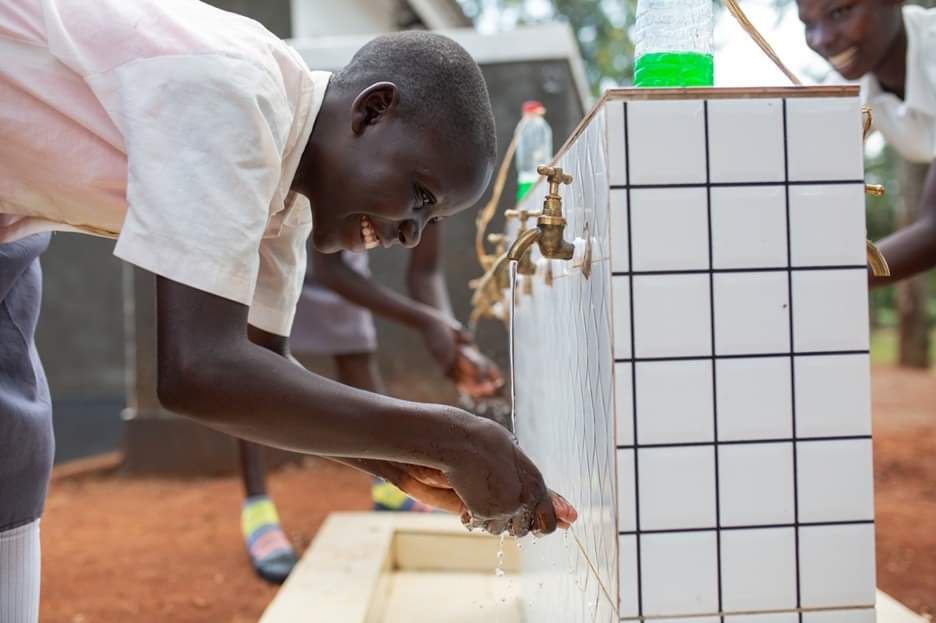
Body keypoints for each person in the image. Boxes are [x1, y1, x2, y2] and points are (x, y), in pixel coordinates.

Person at [0, 1, 576, 619]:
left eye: (428, 222)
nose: (410, 236)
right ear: (372, 111)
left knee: (13, 449)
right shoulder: (238, 95)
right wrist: (458, 437)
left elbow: (260, 372)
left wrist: (410, 464)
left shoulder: (291, 191)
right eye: (418, 197)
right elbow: (200, 372)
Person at [239, 235, 505, 584]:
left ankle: (387, 491)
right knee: (258, 362)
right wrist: (430, 323)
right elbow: (331, 270)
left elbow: (424, 272)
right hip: (279, 231)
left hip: (346, 246)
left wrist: (453, 346)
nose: (415, 229)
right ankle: (257, 508)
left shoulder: (440, 191)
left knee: (356, 345)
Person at [797, 0, 936, 284]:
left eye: (840, 12)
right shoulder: (849, 94)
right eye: (808, 24)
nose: (822, 38)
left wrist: (822, 282)